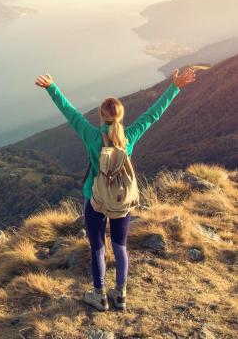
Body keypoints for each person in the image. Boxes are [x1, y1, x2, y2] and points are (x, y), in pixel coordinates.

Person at [35, 67, 196, 312]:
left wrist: (51, 88)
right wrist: (174, 86)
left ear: (101, 116)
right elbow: (153, 114)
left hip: (95, 198)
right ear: (120, 117)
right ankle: (120, 294)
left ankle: (99, 295)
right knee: (120, 247)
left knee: (98, 248)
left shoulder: (91, 135)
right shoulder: (129, 137)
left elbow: (70, 112)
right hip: (122, 200)